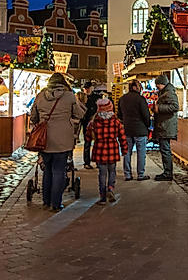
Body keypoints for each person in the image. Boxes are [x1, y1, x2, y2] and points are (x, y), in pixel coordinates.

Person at [28, 72, 85, 211]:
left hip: (44, 139)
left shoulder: (41, 96)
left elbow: (33, 116)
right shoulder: (69, 96)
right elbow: (79, 114)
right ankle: (56, 203)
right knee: (59, 170)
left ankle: (46, 201)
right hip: (63, 139)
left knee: (47, 170)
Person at [87, 98, 127, 204]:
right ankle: (110, 188)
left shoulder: (94, 121)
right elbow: (122, 137)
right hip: (112, 149)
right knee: (112, 171)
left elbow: (87, 137)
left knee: (102, 173)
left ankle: (103, 197)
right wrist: (124, 149)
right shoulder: (116, 122)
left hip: (99, 150)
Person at [119, 79, 152, 181]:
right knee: (141, 153)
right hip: (140, 129)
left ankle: (127, 174)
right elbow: (146, 114)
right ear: (134, 87)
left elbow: (119, 114)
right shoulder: (140, 99)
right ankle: (140, 174)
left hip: (127, 129)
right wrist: (148, 125)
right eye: (138, 86)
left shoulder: (122, 99)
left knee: (127, 152)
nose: (140, 88)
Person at [152, 74, 179, 181]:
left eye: (157, 84)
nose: (157, 86)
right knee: (164, 149)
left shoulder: (169, 93)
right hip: (164, 125)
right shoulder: (165, 92)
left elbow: (175, 106)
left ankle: (168, 173)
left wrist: (159, 108)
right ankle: (166, 172)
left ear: (162, 83)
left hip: (166, 126)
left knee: (165, 150)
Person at [79, 83, 108, 170]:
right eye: (85, 89)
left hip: (96, 123)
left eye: (88, 88)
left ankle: (98, 161)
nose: (86, 90)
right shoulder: (81, 98)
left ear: (91, 88)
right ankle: (87, 162)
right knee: (87, 143)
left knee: (97, 143)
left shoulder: (96, 97)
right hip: (85, 123)